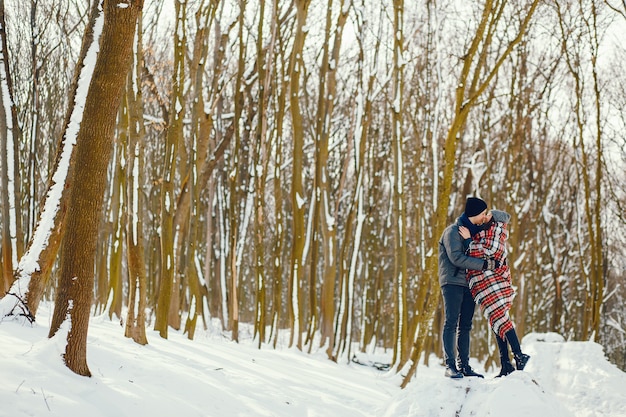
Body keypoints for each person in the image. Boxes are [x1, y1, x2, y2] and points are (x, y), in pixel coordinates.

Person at [459, 208, 530, 377]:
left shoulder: (497, 232)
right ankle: (506, 364)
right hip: (486, 282)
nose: (485, 216)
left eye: (488, 214)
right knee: (496, 320)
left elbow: (489, 252)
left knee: (500, 318)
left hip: (494, 281)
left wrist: (469, 241)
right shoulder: (487, 231)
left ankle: (519, 355)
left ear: (495, 219)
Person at [438, 197, 500, 379]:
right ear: (475, 214)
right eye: (483, 213)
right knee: (451, 322)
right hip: (452, 282)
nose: (484, 217)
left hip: (469, 283)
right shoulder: (452, 232)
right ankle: (449, 366)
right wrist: (485, 265)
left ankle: (464, 366)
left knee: (466, 325)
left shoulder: (474, 233)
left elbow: (498, 225)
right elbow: (456, 258)